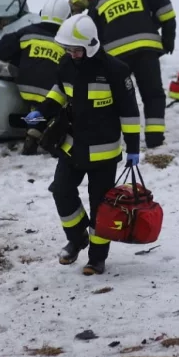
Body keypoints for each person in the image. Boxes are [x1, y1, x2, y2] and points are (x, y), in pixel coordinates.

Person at [22, 14, 141, 276]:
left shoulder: (116, 71)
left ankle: (97, 258)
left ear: (90, 45)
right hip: (72, 146)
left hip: (104, 152)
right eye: (68, 49)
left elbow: (130, 112)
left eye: (76, 50)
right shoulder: (66, 64)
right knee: (61, 191)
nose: (72, 54)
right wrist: (41, 114)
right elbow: (59, 93)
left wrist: (133, 147)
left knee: (101, 206)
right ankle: (77, 238)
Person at [83, 0, 176, 148]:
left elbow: (92, 35)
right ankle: (154, 138)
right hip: (146, 51)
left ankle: (124, 139)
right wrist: (168, 40)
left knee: (122, 99)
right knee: (153, 94)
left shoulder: (97, 2)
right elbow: (165, 8)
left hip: (117, 60)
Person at [0, 0, 71, 154]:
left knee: (37, 107)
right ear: (67, 18)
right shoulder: (67, 40)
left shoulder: (27, 32)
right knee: (64, 109)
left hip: (26, 88)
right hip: (51, 92)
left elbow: (2, 49)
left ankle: (33, 131)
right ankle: (51, 135)